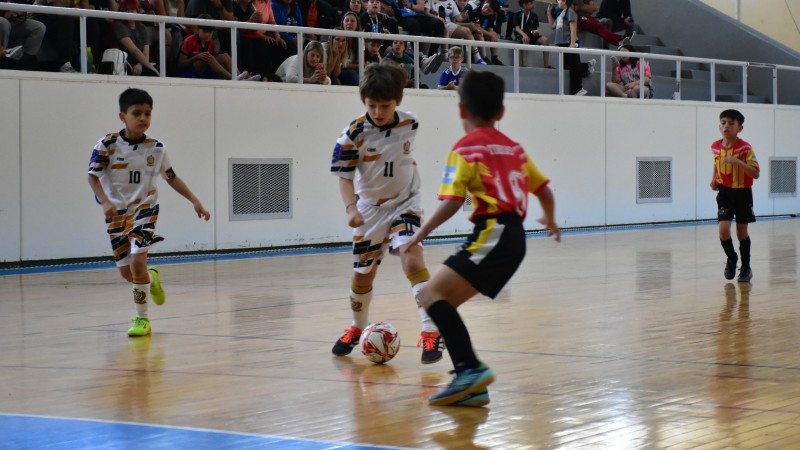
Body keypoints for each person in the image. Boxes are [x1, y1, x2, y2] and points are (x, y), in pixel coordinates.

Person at [400, 70, 559, 406]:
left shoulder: (464, 149)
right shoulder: (514, 149)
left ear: (461, 110)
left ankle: (470, 369)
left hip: (493, 231)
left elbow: (452, 202)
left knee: (430, 295)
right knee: (444, 302)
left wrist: (420, 235)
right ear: (501, 112)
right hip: (515, 237)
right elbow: (543, 189)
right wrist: (549, 218)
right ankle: (472, 383)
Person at [329, 61, 446, 365]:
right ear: (363, 101)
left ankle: (431, 332)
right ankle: (357, 328)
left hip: (406, 203)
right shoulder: (351, 135)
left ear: (399, 101)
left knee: (411, 256)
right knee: (362, 275)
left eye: (385, 105)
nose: (379, 111)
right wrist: (351, 208)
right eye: (372, 105)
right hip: (369, 210)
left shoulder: (411, 123)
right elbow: (344, 177)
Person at [87, 88, 211, 337]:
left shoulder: (157, 148)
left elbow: (171, 178)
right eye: (137, 113)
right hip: (117, 215)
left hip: (145, 210)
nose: (143, 118)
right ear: (123, 116)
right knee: (128, 273)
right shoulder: (107, 145)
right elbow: (93, 176)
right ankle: (151, 279)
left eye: (148, 113)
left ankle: (141, 319)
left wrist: (195, 201)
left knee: (137, 261)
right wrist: (105, 202)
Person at [710, 109, 760, 283]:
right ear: (719, 126)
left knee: (741, 232)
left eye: (731, 123)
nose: (726, 126)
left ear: (740, 128)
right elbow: (717, 162)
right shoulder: (715, 146)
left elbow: (755, 174)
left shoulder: (746, 148)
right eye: (723, 123)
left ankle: (746, 267)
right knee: (723, 232)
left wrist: (737, 161)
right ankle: (732, 258)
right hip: (724, 193)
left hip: (743, 194)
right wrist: (713, 178)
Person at [177, 15, 256, 80]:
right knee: (209, 57)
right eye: (205, 31)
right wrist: (196, 57)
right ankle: (233, 78)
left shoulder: (210, 43)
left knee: (224, 56)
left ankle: (240, 76)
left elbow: (214, 63)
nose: (208, 35)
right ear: (198, 30)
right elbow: (180, 65)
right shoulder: (189, 41)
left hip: (205, 72)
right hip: (189, 73)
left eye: (210, 32)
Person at [233, 0, 290, 77]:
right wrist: (252, 20)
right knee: (249, 44)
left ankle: (265, 75)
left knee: (276, 45)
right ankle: (249, 74)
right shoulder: (235, 6)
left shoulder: (253, 6)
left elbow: (270, 22)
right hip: (243, 35)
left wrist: (277, 36)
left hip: (255, 33)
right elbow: (240, 29)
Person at [549, 0, 594, 95]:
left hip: (569, 43)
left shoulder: (571, 12)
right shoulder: (561, 13)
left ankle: (578, 89)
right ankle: (586, 67)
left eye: (559, 0)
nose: (557, 2)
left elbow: (573, 28)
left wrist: (572, 44)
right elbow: (552, 26)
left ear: (565, 1)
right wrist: (549, 13)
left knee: (573, 67)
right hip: (561, 43)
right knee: (567, 67)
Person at [111, 0, 160, 76]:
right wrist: (152, 69)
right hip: (124, 63)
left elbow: (146, 53)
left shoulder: (142, 27)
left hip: (140, 62)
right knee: (153, 72)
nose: (130, 13)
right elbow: (134, 51)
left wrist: (140, 65)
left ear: (137, 11)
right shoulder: (119, 25)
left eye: (133, 10)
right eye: (127, 10)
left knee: (157, 69)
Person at [0, 6, 45, 71]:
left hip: (12, 22)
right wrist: (3, 13)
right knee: (3, 22)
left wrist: (22, 16)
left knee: (39, 27)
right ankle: (2, 58)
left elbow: (24, 6)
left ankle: (26, 62)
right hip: (2, 20)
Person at [513, 0, 551, 68]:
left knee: (545, 40)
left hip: (532, 35)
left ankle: (546, 65)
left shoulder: (534, 15)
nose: (533, 5)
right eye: (531, 4)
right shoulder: (517, 14)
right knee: (526, 39)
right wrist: (524, 34)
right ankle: (524, 64)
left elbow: (535, 29)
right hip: (521, 35)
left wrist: (536, 33)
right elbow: (517, 28)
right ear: (524, 5)